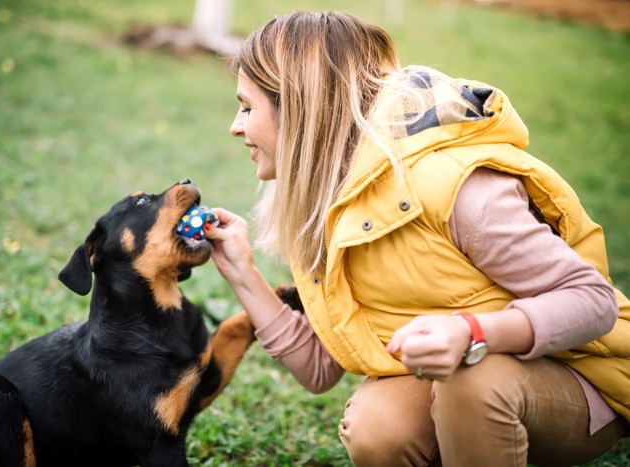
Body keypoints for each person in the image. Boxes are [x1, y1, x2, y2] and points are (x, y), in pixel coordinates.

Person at [204, 10, 630, 466]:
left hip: (582, 377)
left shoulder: (455, 186)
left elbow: (593, 302)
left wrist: (472, 331)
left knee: (472, 374)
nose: (236, 126)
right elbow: (320, 368)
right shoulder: (333, 205)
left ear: (303, 105)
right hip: (461, 374)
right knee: (379, 427)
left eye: (248, 107)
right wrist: (241, 271)